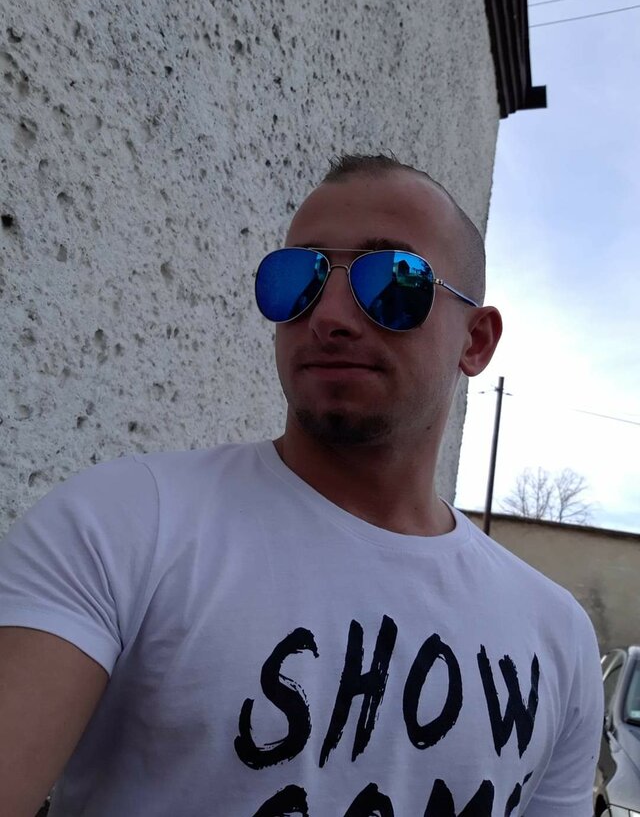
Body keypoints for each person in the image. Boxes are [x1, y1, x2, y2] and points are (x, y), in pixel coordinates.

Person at [0, 153, 603, 817]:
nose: (328, 316)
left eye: (392, 279)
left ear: (476, 340)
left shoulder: (558, 640)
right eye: (299, 279)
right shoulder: (123, 526)